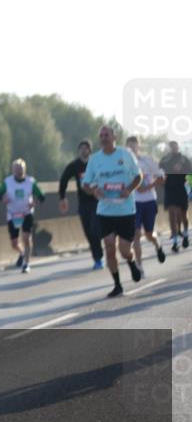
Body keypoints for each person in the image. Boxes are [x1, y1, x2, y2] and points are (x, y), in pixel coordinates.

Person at [82, 125, 143, 297]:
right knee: (109, 247)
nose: (103, 138)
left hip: (125, 210)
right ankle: (117, 285)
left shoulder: (125, 154)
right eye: (101, 135)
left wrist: (129, 190)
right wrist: (94, 191)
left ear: (114, 137)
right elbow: (86, 184)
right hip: (105, 211)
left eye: (106, 135)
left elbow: (139, 177)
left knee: (124, 250)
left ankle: (131, 263)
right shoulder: (94, 160)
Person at [0, 159, 45, 273]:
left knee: (26, 237)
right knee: (14, 243)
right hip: (13, 214)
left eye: (20, 168)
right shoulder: (7, 182)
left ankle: (26, 264)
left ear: (24, 169)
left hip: (26, 213)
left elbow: (41, 196)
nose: (18, 171)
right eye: (16, 168)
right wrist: (3, 199)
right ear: (12, 170)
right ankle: (22, 253)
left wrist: (34, 202)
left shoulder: (31, 182)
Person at [58, 140, 104, 269]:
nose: (83, 150)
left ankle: (100, 253)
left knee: (95, 229)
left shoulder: (96, 163)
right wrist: (62, 197)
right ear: (78, 151)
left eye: (86, 148)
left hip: (97, 201)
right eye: (81, 148)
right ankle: (97, 258)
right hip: (83, 202)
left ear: (89, 150)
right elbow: (64, 179)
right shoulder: (75, 165)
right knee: (88, 231)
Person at [126, 135, 166, 267]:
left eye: (134, 146)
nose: (132, 149)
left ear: (138, 146)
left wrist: (147, 187)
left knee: (149, 234)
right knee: (136, 235)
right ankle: (139, 266)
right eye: (129, 146)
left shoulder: (147, 160)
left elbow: (161, 178)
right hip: (134, 203)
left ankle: (157, 245)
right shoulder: (124, 164)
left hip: (149, 200)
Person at [159, 141, 191, 252]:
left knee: (183, 215)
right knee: (172, 213)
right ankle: (175, 242)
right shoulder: (164, 159)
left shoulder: (184, 159)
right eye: (171, 147)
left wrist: (182, 170)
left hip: (181, 188)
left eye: (175, 146)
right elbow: (159, 171)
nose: (173, 148)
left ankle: (186, 235)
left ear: (178, 147)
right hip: (169, 189)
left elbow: (190, 171)